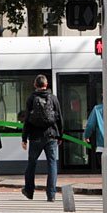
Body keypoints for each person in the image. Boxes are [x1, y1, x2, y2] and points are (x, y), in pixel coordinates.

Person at [21, 74, 63, 202]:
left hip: (35, 137)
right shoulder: (54, 99)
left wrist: (24, 138)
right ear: (46, 85)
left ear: (35, 85)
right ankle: (51, 194)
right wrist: (60, 135)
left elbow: (27, 120)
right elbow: (59, 118)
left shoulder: (31, 99)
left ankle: (29, 191)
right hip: (51, 136)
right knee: (52, 164)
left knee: (32, 164)